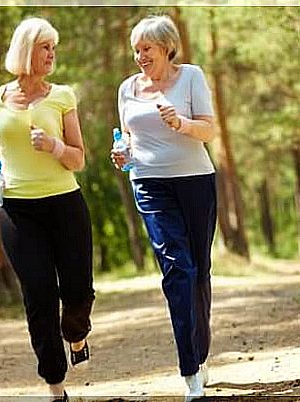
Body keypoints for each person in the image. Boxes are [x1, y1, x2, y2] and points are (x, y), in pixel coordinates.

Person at [0, 17, 95, 402]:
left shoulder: (62, 96)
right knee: (39, 294)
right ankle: (55, 384)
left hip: (65, 203)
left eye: (54, 48)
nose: (53, 55)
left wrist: (54, 147)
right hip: (16, 210)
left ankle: (77, 333)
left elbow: (79, 158)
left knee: (77, 289)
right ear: (27, 50)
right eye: (46, 47)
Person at [111, 15, 217, 400]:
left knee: (199, 271)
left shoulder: (190, 77)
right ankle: (189, 370)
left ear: (166, 47)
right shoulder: (127, 88)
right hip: (149, 183)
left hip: (195, 182)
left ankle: (201, 352)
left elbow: (208, 129)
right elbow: (127, 139)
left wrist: (182, 123)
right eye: (136, 50)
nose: (140, 56)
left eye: (147, 49)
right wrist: (121, 154)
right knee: (177, 270)